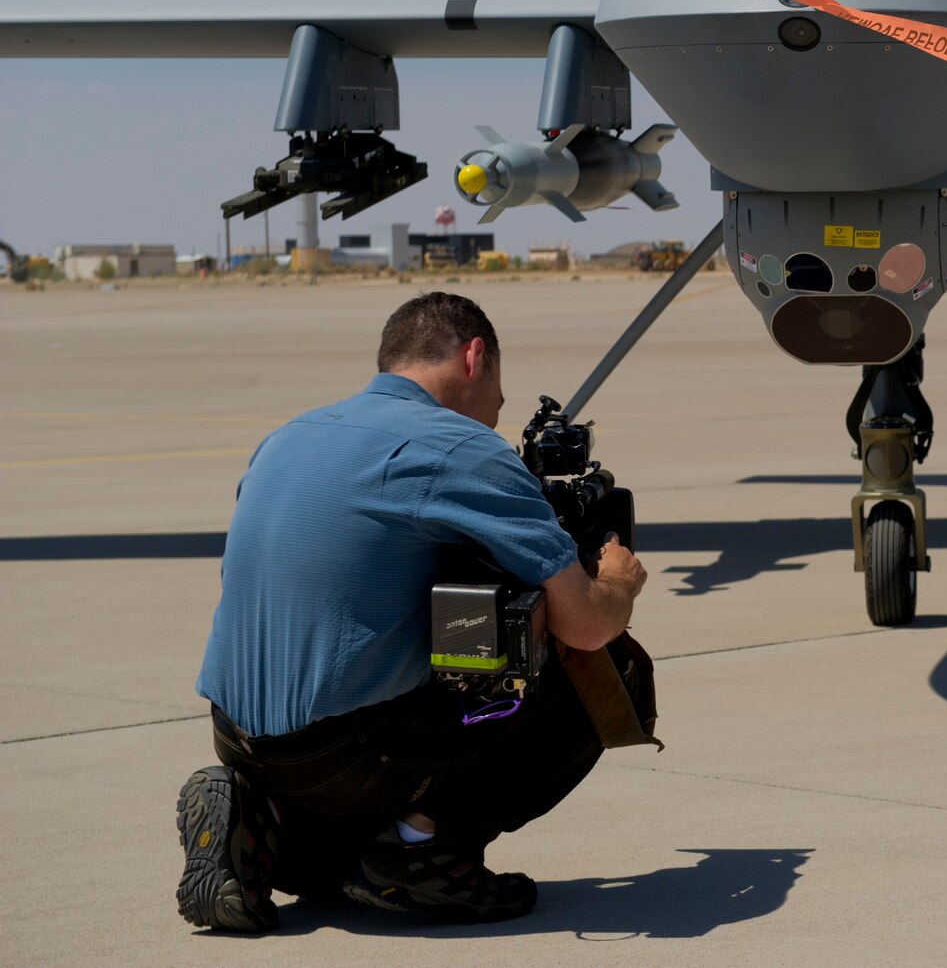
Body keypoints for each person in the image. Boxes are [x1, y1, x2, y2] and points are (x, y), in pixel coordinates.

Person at [176, 292, 649, 931]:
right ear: (474, 357)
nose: (495, 418)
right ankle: (421, 853)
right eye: (500, 399)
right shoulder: (461, 449)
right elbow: (588, 624)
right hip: (349, 750)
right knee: (607, 669)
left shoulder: (290, 434)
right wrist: (617, 580)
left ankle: (256, 816)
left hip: (238, 734)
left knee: (331, 875)